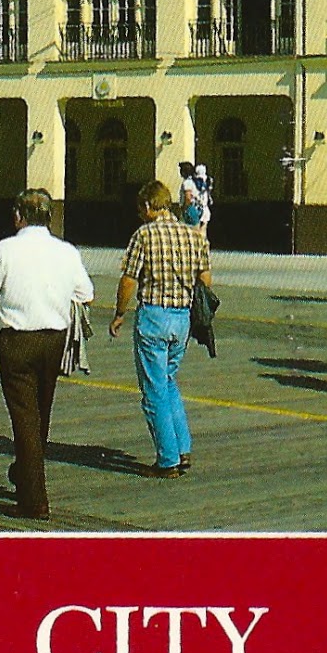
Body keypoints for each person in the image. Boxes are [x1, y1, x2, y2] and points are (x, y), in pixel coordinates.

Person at [0, 189, 94, 518]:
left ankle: (34, 500)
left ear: (18, 216)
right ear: (49, 217)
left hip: (18, 341)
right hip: (55, 340)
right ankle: (24, 473)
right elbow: (86, 294)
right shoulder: (67, 251)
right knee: (40, 413)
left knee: (24, 418)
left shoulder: (6, 250)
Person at [109, 180, 211, 478]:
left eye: (140, 209)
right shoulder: (193, 236)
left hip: (154, 316)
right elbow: (205, 279)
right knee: (168, 380)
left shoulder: (144, 235)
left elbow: (129, 280)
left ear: (147, 206)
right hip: (182, 318)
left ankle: (168, 460)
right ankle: (183, 447)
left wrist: (119, 313)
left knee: (153, 390)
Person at [177, 162, 204, 227]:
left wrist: (184, 209)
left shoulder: (187, 182)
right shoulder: (195, 181)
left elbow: (188, 197)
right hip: (197, 208)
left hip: (189, 209)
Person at [191, 164, 214, 238]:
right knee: (200, 229)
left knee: (199, 230)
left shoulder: (195, 182)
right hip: (200, 207)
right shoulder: (206, 182)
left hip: (200, 207)